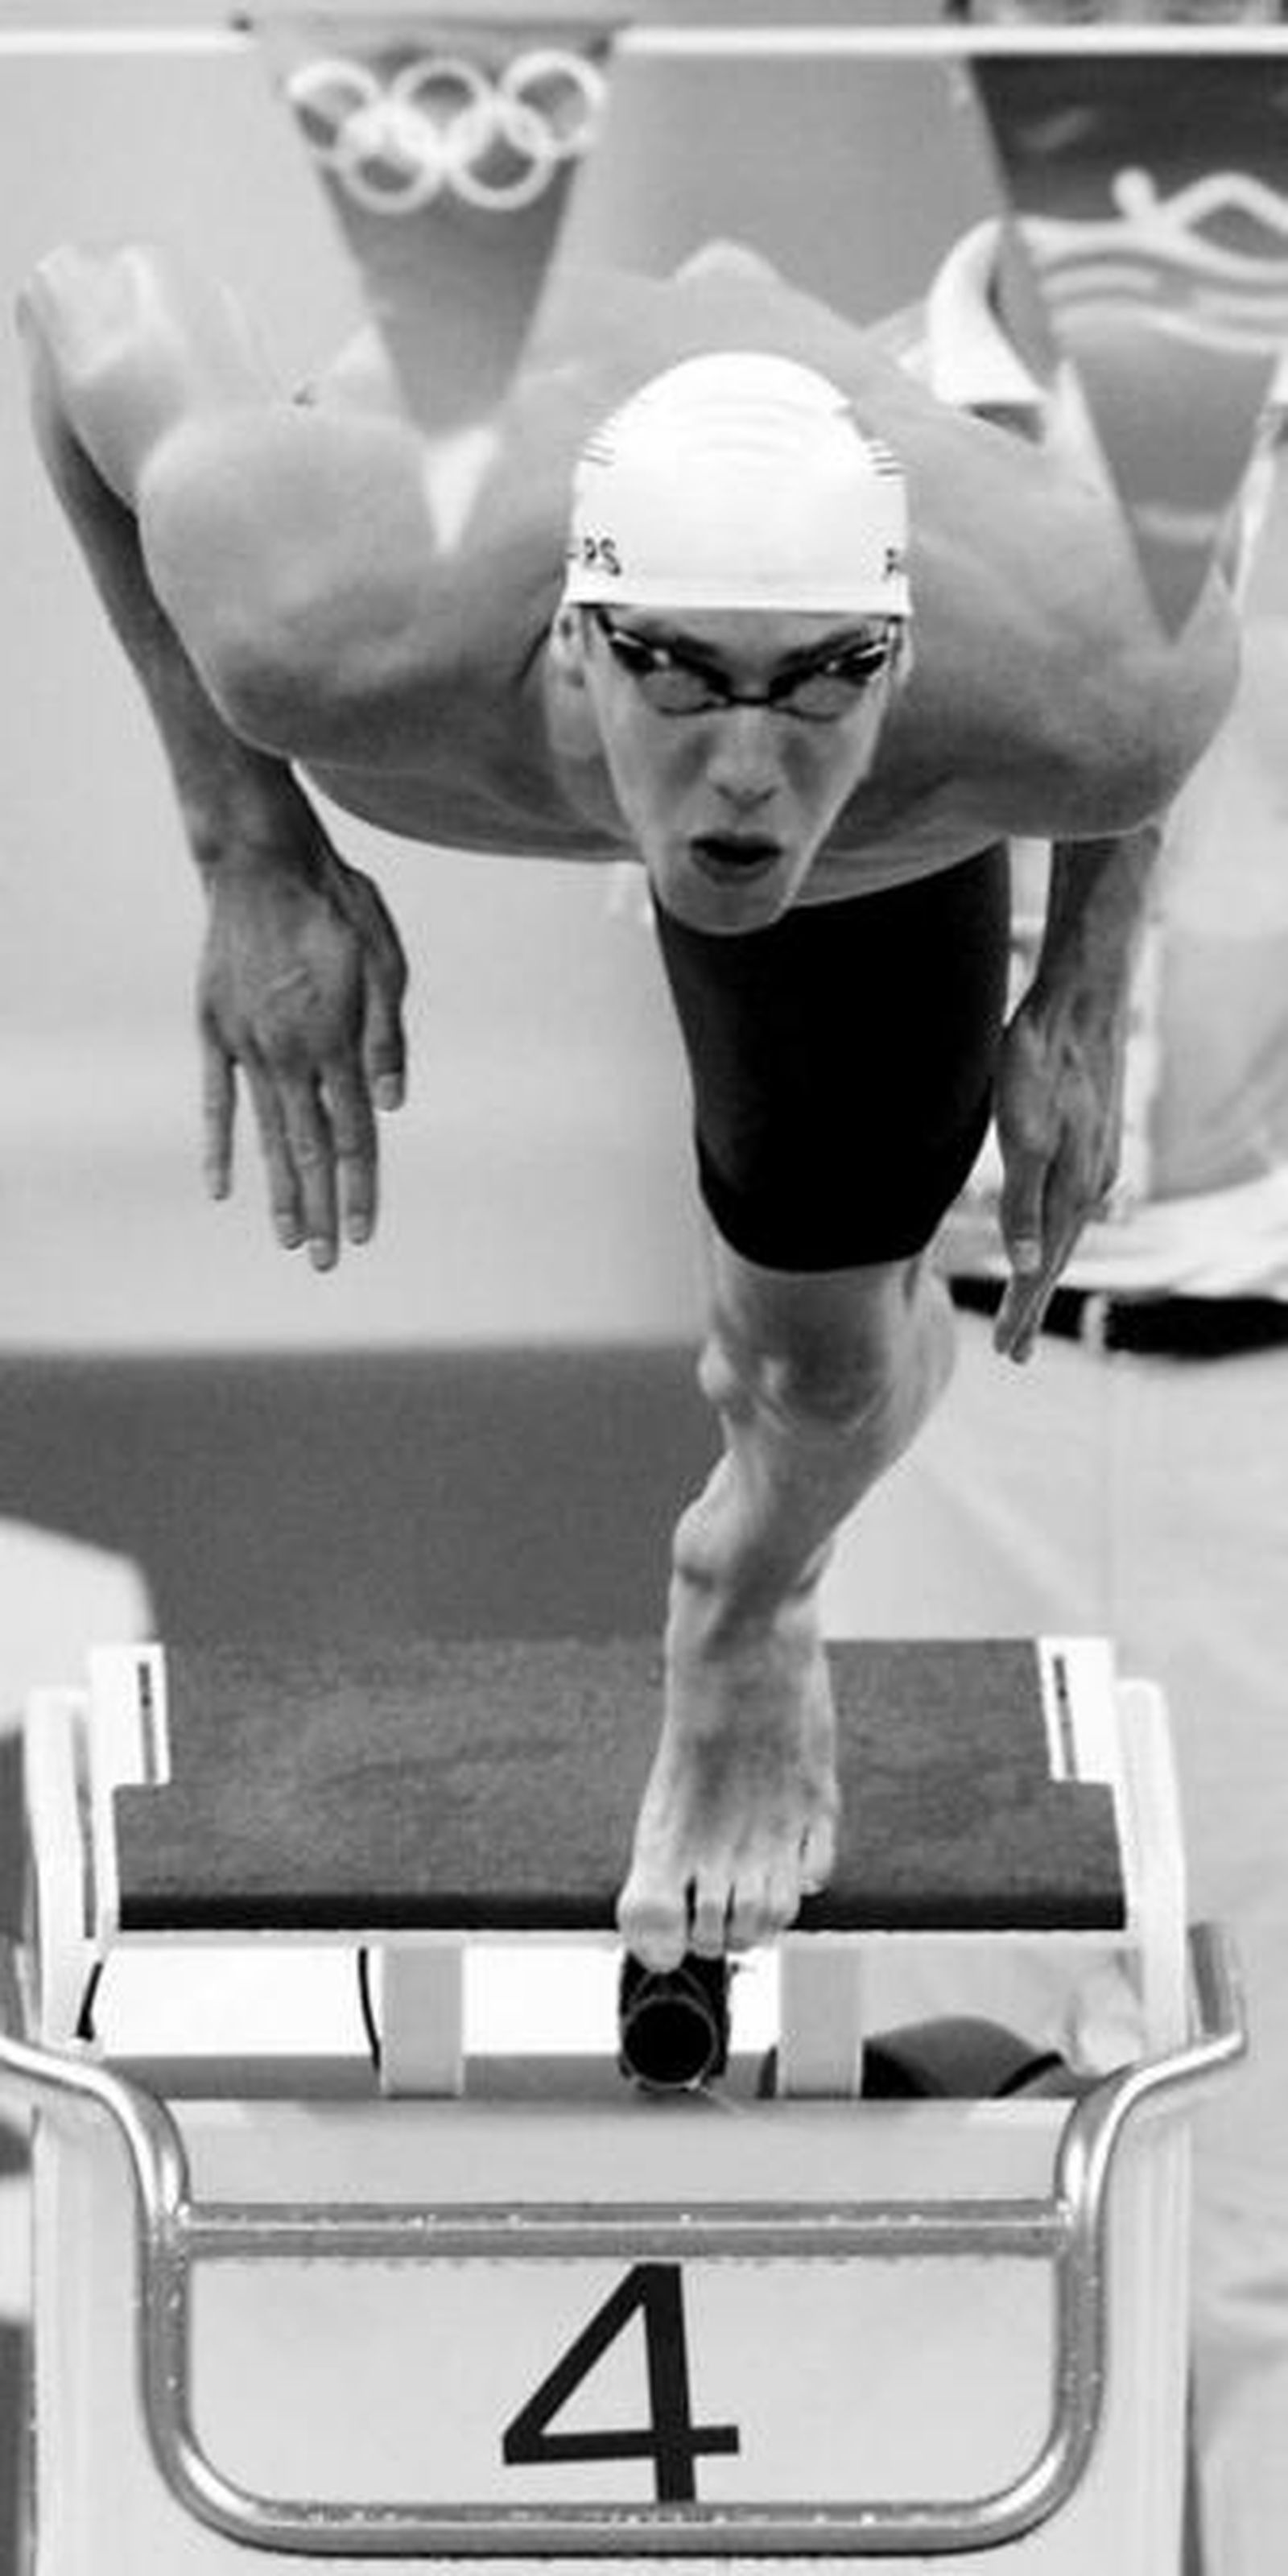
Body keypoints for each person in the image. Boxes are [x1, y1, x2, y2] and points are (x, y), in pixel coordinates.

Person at [15, 233, 1236, 1982]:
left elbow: (1169, 629)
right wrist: (249, 843)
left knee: (817, 1374)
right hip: (491, 568)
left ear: (893, 660)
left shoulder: (1072, 683)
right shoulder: (325, 605)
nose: (744, 766)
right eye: (674, 675)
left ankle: (746, 1590)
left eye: (818, 682)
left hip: (881, 825)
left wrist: (1081, 991)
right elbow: (85, 296)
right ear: (584, 641)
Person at [822, 6, 1288, 2569]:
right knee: (926, 2173)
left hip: (1275, 1429)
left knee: (1275, 2259)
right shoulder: (824, 420)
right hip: (929, 1402)